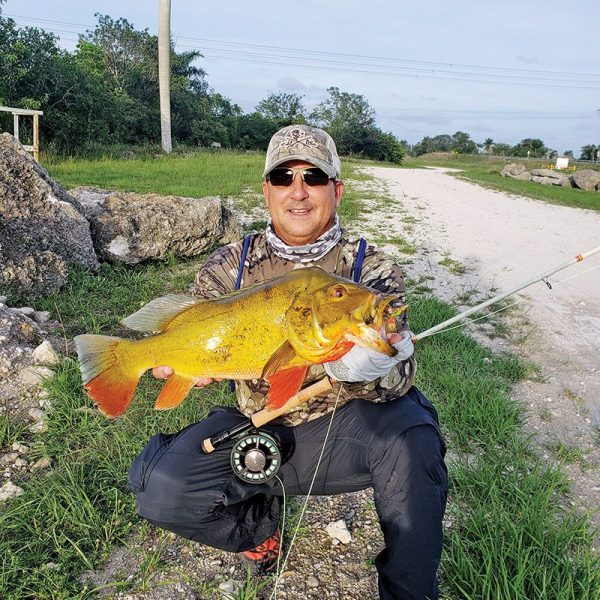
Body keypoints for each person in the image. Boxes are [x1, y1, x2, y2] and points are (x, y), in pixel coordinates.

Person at [128, 125, 448, 600]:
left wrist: (375, 363)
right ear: (267, 190)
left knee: (413, 442)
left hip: (346, 430)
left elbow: (399, 378)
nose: (298, 191)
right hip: (256, 425)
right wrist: (177, 367)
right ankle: (259, 533)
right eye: (283, 177)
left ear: (336, 190)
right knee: (160, 488)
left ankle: (408, 591)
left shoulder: (369, 271)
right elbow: (193, 337)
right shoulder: (230, 265)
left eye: (313, 177)